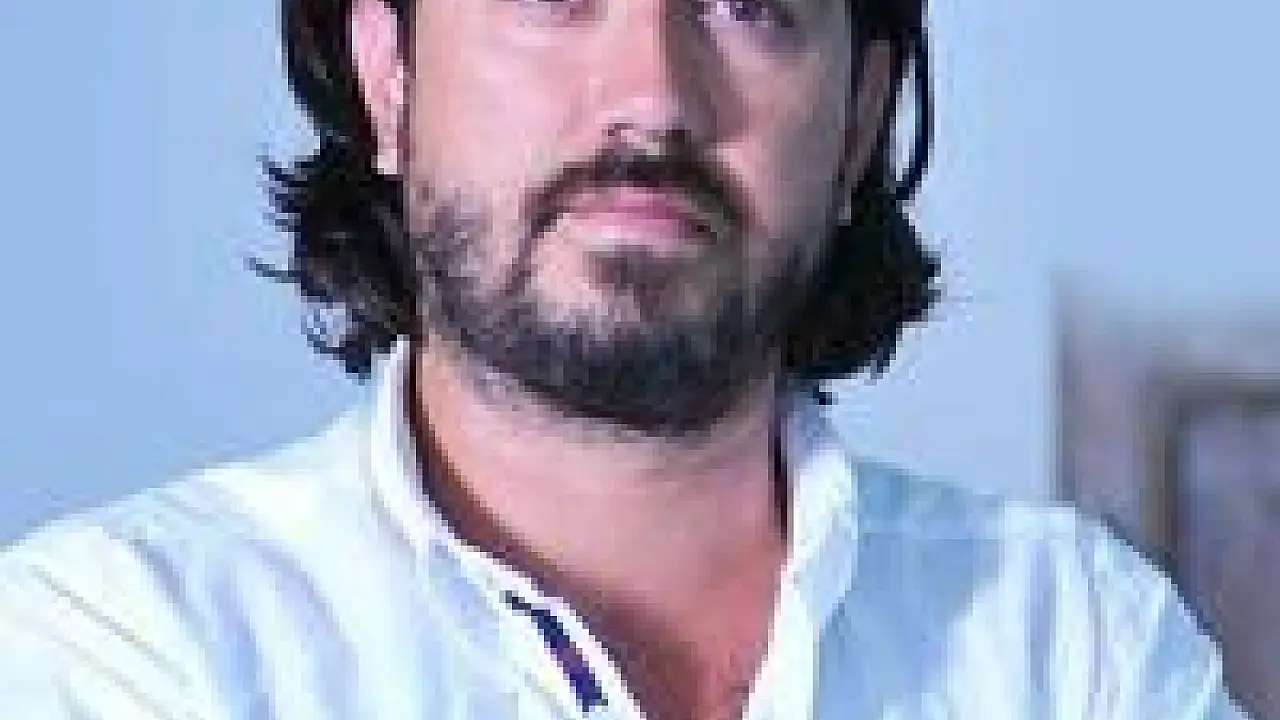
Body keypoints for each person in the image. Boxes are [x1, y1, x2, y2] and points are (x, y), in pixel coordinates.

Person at [0, 0, 1253, 717]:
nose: (651, 93)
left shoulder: (1070, 645)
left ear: (858, 122)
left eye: (746, 5)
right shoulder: (123, 646)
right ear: (391, 80)